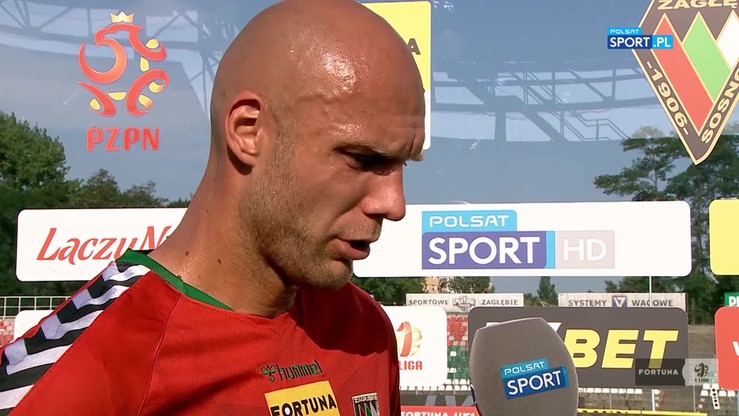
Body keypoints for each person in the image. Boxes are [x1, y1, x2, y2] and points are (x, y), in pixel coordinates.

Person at [0, 0, 425, 414]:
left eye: (402, 164)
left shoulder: (366, 333)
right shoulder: (80, 375)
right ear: (248, 132)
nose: (394, 204)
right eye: (363, 159)